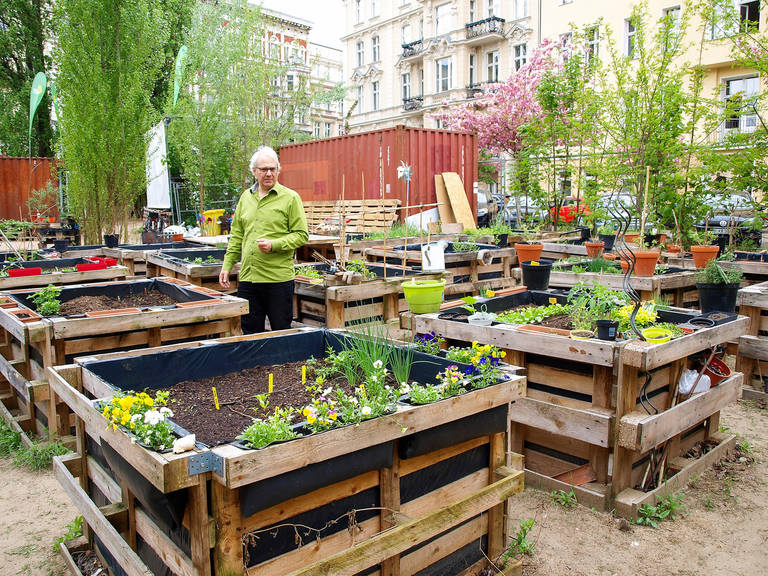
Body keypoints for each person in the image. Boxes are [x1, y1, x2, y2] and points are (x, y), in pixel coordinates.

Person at [219, 146, 308, 333]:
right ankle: (255, 364)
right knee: (250, 332)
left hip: (277, 279)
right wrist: (227, 265)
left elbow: (301, 235)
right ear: (254, 172)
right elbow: (237, 235)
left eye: (273, 169)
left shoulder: (290, 198)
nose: (269, 173)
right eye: (264, 169)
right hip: (249, 279)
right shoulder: (245, 198)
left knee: (281, 332)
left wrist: (274, 245)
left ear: (278, 170)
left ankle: (280, 363)